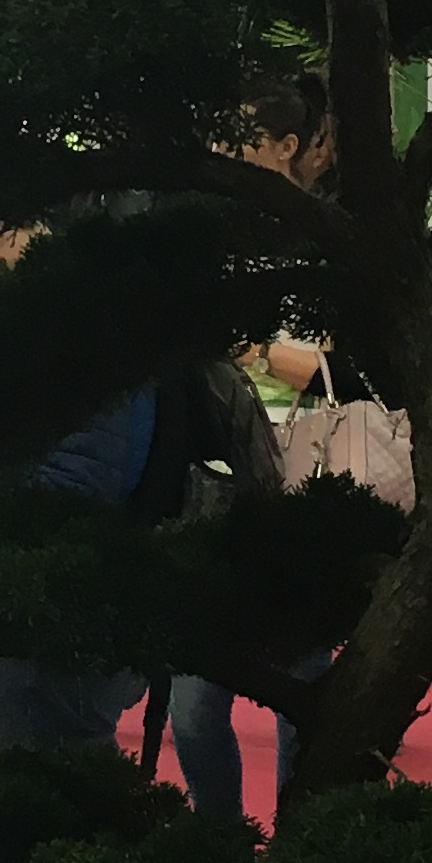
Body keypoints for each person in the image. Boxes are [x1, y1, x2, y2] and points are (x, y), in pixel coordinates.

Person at [169, 67, 340, 822]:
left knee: (303, 685)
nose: (221, 147)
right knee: (194, 703)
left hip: (303, 480)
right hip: (217, 480)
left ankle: (301, 838)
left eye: (237, 134)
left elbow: (338, 365)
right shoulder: (205, 236)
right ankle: (221, 839)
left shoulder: (324, 242)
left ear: (285, 146)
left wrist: (258, 350)